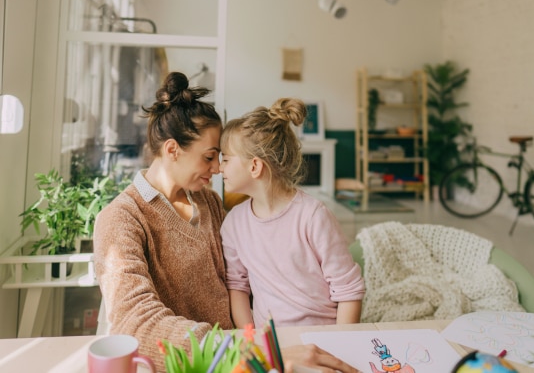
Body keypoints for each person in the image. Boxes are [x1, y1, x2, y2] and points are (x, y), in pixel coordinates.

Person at [93, 72, 359, 373]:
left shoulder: (208, 202)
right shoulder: (120, 219)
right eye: (209, 157)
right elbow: (134, 323)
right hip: (215, 362)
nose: (217, 168)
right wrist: (256, 351)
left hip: (253, 356)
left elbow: (253, 275)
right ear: (172, 150)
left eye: (221, 158)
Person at [219, 97, 365, 330]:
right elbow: (237, 286)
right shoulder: (234, 223)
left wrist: (341, 341)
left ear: (254, 167)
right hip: (270, 345)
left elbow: (348, 289)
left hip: (323, 338)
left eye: (225, 159)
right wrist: (251, 338)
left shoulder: (313, 216)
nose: (219, 168)